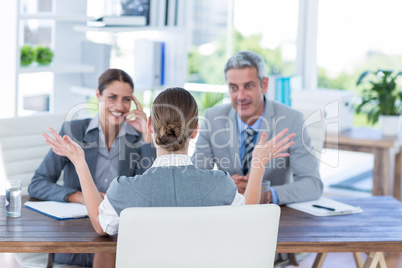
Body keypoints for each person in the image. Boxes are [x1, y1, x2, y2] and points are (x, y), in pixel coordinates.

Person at [43, 87, 295, 268]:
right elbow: (249, 218)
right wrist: (259, 164)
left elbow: (99, 225)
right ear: (196, 130)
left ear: (150, 126)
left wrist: (79, 162)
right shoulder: (220, 185)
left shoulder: (125, 190)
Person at [28, 68, 156, 267]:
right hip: (77, 231)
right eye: (112, 97)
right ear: (98, 95)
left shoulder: (138, 138)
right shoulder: (74, 130)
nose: (120, 106)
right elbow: (38, 183)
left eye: (126, 99)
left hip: (116, 232)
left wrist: (148, 137)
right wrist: (80, 197)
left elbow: (148, 190)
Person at [192, 51, 323, 205]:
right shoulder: (213, 119)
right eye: (233, 88)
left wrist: (267, 194)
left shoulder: (292, 120)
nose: (240, 96)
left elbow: (313, 185)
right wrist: (221, 185)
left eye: (248, 86)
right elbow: (193, 180)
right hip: (227, 215)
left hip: (275, 216)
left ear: (264, 84)